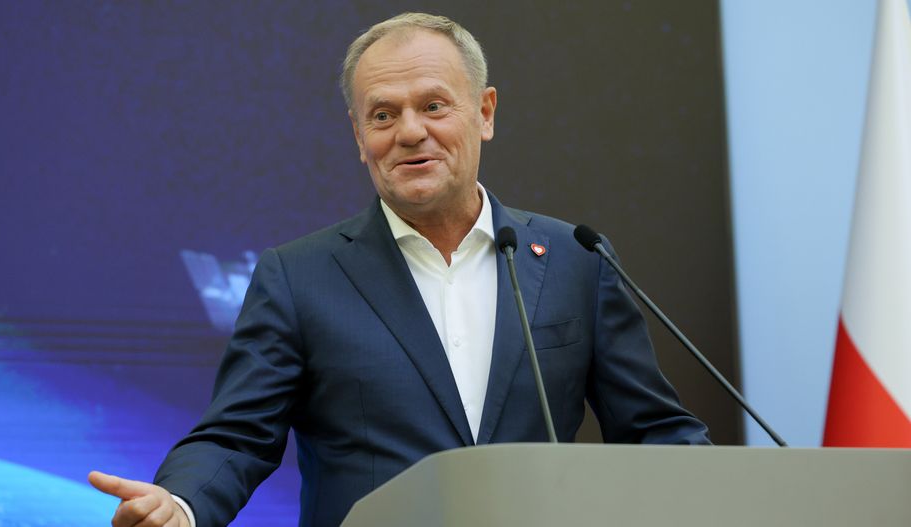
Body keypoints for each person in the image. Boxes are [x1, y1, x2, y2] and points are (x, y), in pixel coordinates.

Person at [89, 12, 710, 527]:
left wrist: (728, 493)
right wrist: (181, 504)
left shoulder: (576, 260)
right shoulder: (298, 277)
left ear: (485, 112)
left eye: (434, 106)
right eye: (383, 115)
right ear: (359, 136)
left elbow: (654, 431)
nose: (410, 132)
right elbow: (236, 437)